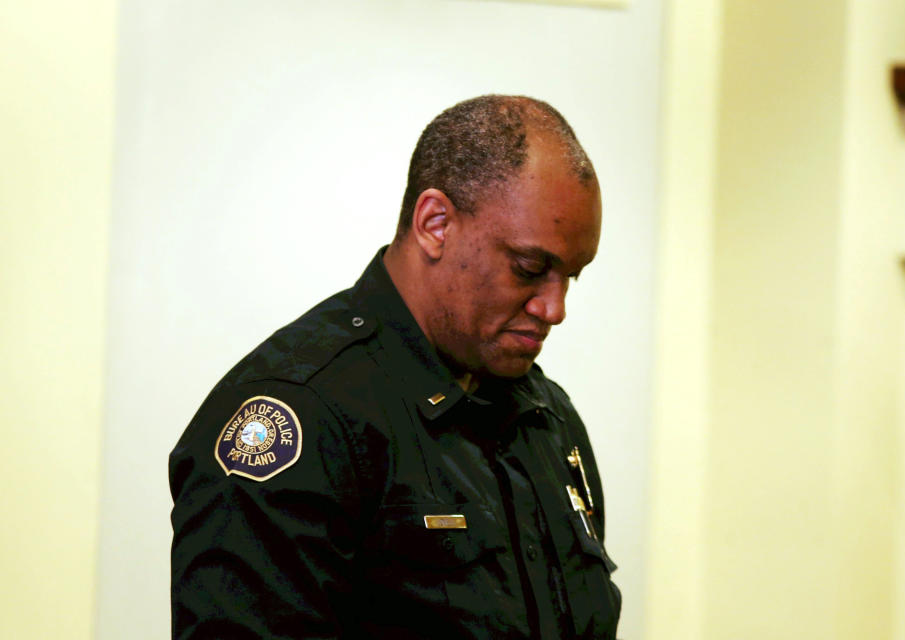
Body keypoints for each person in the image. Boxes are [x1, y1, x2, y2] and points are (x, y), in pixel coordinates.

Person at [169, 95, 621, 639]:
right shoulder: (306, 416)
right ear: (435, 224)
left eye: (572, 276)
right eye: (529, 269)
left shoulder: (546, 417)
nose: (555, 308)